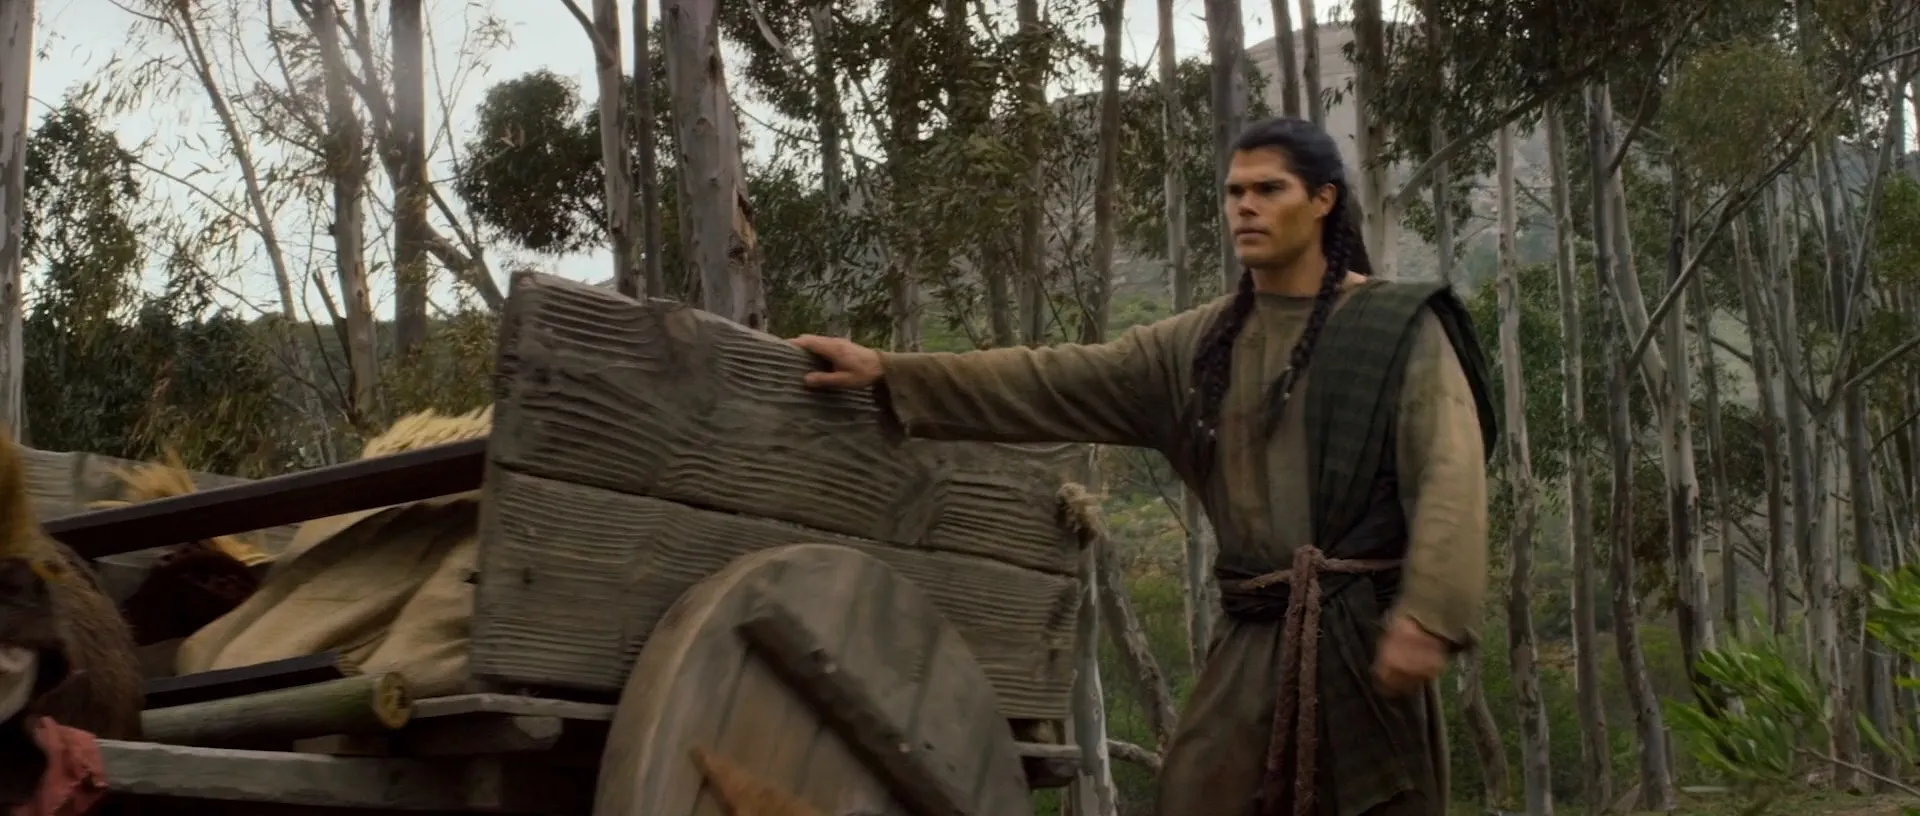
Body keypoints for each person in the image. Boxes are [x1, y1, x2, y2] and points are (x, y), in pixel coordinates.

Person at [791, 116, 1495, 816]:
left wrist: (1429, 617)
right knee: (1195, 793)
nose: (1245, 207)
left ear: (1323, 200)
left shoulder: (1397, 327)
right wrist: (890, 371)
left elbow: (1449, 472)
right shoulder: (1199, 344)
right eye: (1235, 192)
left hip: (1363, 644)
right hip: (1250, 645)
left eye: (1269, 189)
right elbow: (1052, 379)